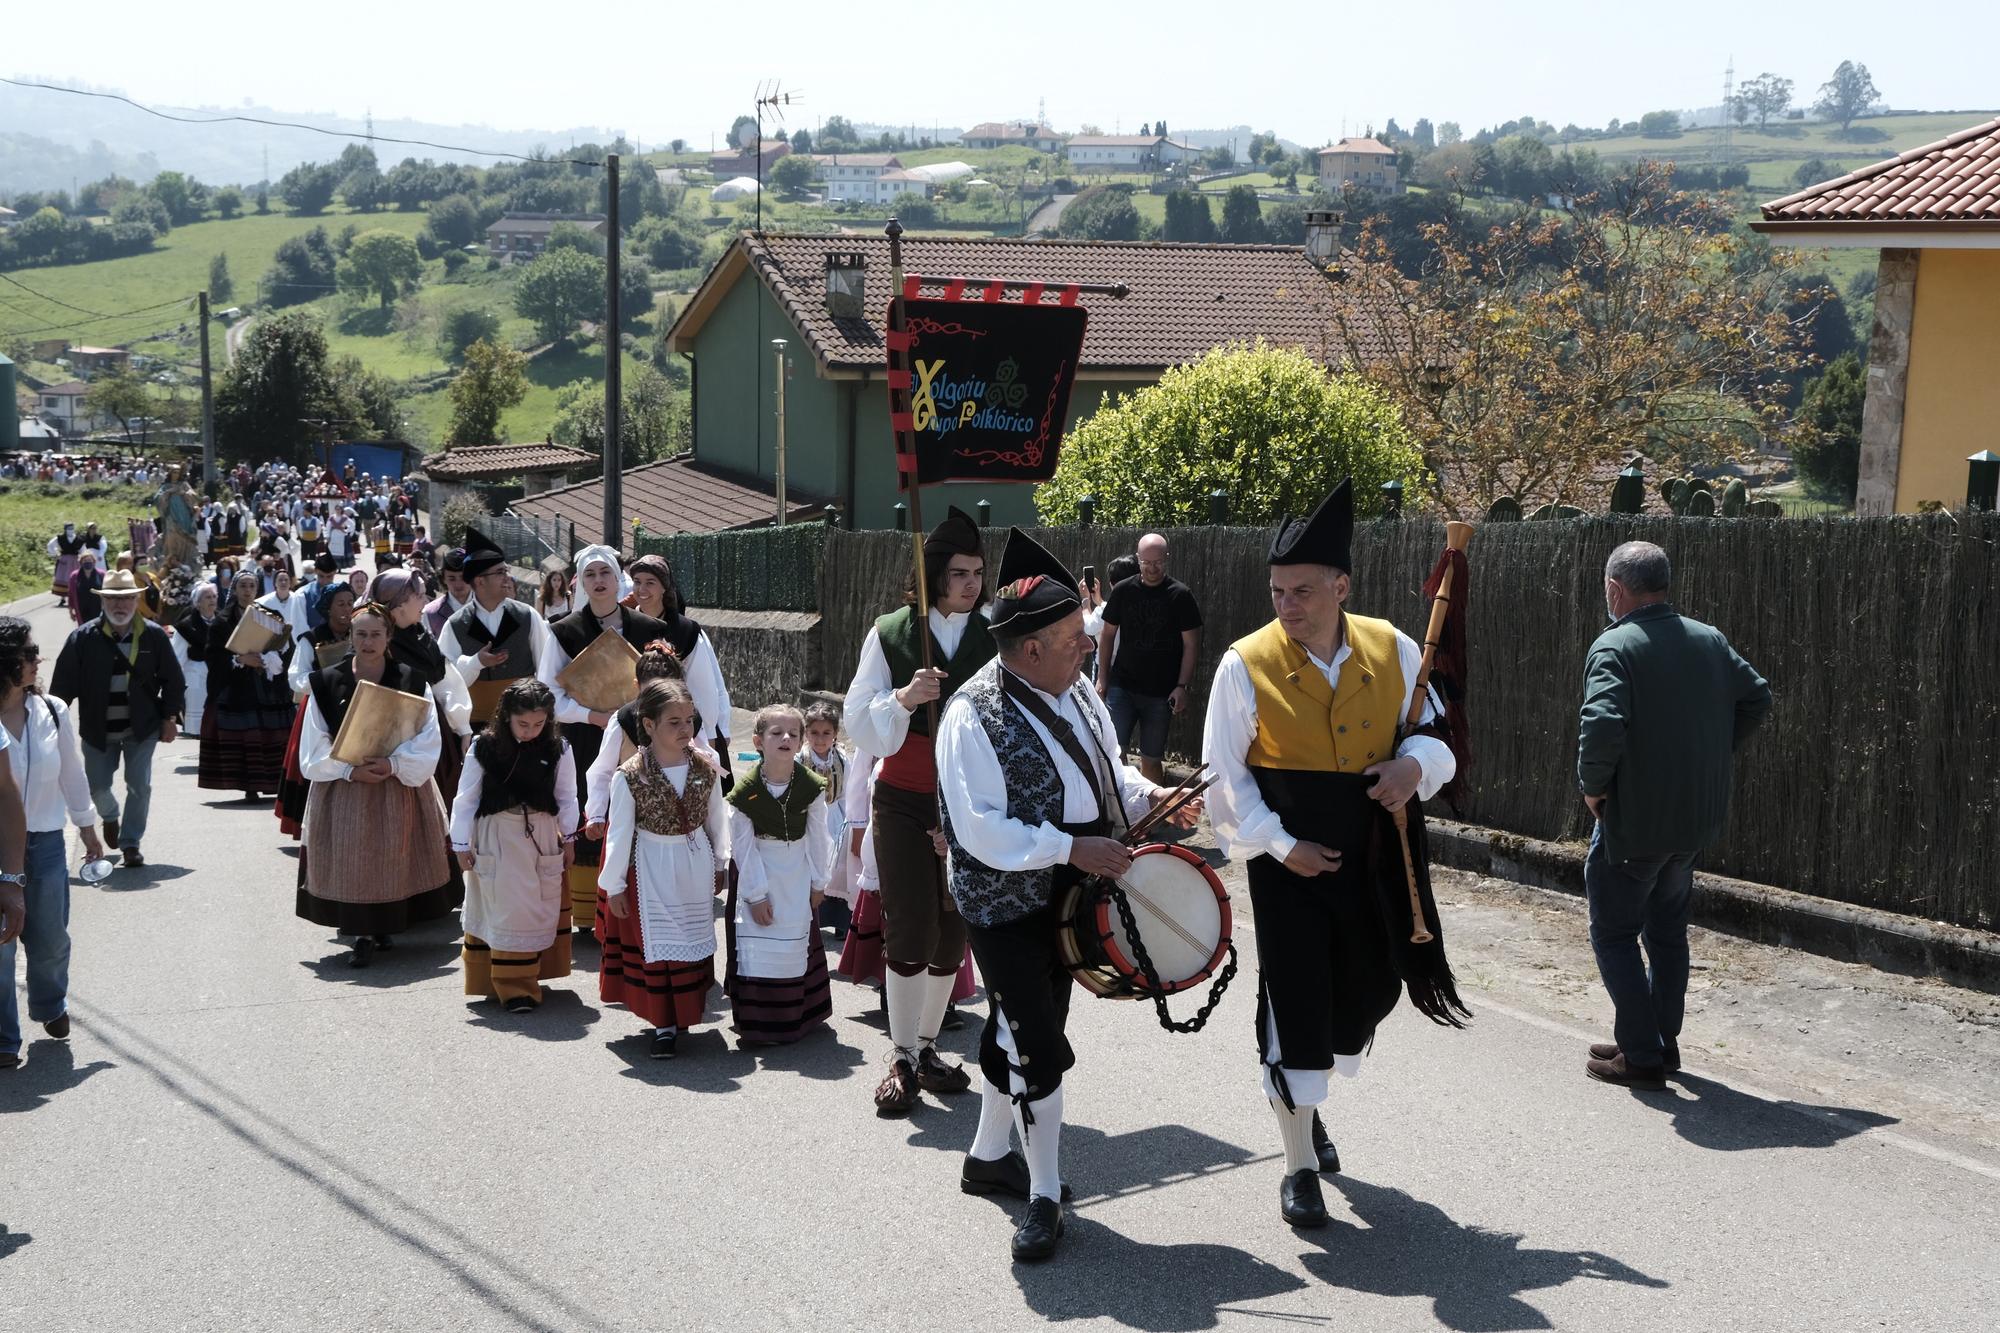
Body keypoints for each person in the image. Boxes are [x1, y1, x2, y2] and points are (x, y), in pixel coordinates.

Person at [1200, 478, 1468, 1230]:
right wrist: (1282, 847)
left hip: (1376, 859)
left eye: (1305, 590)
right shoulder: (1242, 664)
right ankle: (1298, 1165)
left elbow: (1437, 731)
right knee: (1298, 1003)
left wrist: (1414, 767)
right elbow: (1224, 781)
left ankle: (1306, 1105)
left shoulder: (1393, 646)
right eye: (1279, 591)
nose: (1288, 605)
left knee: (1368, 990)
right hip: (1286, 866)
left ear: (1341, 585)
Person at [935, 528, 1197, 1262]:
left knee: (1026, 1022)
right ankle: (1044, 1194)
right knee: (1039, 1043)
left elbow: (1107, 770)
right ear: (1028, 651)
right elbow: (981, 830)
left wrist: (1154, 793)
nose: (1089, 644)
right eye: (1074, 636)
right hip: (1004, 897)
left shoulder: (1076, 687)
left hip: (1071, 888)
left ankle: (990, 1155)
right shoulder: (970, 714)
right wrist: (1070, 847)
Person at [1577, 540, 1771, 1090]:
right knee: (1666, 934)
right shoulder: (1707, 638)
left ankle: (1640, 1056)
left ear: (1616, 590)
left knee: (1613, 934)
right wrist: (1710, 755)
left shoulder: (1615, 647)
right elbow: (1756, 697)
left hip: (1635, 821)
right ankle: (1659, 1041)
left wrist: (1594, 788)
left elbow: (1601, 725)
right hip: (1691, 821)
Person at [841, 507, 995, 1115]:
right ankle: (901, 1056)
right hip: (903, 797)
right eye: (960, 572)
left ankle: (927, 1048)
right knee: (911, 925)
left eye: (979, 572)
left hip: (967, 801)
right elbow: (859, 720)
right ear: (933, 574)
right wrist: (904, 698)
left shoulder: (993, 636)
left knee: (953, 928)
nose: (972, 583)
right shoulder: (892, 632)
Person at [296, 602, 455, 968]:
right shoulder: (325, 682)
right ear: (351, 637)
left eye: (375, 634)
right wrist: (348, 771)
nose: (368, 642)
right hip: (345, 787)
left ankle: (385, 924)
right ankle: (362, 933)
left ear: (388, 637)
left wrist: (394, 763)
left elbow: (427, 738)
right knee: (357, 858)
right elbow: (314, 745)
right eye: (361, 634)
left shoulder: (413, 681)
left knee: (393, 856)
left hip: (397, 784)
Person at [540, 546, 672, 940]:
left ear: (618, 581)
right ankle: (589, 915)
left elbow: (665, 684)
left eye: (606, 573)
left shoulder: (648, 629)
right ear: (581, 582)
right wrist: (593, 717)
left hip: (642, 738)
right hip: (585, 737)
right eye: (591, 574)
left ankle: (642, 902)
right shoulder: (563, 630)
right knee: (591, 807)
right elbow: (549, 693)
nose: (599, 581)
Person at [596, 676, 731, 1059]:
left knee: (690, 941)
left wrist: (720, 861)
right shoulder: (630, 776)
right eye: (674, 721)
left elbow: (715, 818)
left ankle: (685, 1013)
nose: (685, 729)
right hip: (651, 869)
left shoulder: (706, 768)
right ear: (649, 724)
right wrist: (615, 886)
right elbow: (619, 835)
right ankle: (664, 1024)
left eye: (689, 720)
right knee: (659, 947)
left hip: (693, 866)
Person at [1, 619, 108, 1069]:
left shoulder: (51, 709)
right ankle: (5, 1040)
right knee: (1, 946)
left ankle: (49, 1005)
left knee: (49, 939)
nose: (36, 660)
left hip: (45, 840)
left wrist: (87, 827)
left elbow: (71, 771)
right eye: (27, 654)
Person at [451, 679, 577, 1012]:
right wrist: (461, 843)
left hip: (543, 836)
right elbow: (466, 798)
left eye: (539, 724)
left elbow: (566, 797)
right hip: (498, 836)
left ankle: (534, 972)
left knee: (538, 906)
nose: (531, 731)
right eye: (523, 724)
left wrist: (569, 838)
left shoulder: (559, 748)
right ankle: (512, 986)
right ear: (507, 717)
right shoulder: (484, 747)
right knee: (505, 910)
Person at [48, 569, 185, 870]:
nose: (119, 605)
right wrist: (51, 726)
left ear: (136, 601)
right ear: (103, 602)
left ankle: (131, 843)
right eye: (113, 599)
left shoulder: (153, 635)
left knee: (139, 785)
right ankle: (109, 816)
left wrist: (170, 718)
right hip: (98, 729)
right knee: (96, 786)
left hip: (142, 727)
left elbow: (173, 680)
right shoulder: (83, 638)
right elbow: (62, 686)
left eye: (125, 598)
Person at [724, 705, 833, 1047]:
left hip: (797, 872)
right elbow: (743, 847)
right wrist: (755, 895)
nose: (786, 738)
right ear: (758, 741)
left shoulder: (811, 787)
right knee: (758, 941)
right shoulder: (745, 792)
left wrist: (819, 882)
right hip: (761, 868)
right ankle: (759, 1025)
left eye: (793, 734)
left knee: (794, 940)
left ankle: (796, 1017)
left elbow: (820, 837)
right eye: (776, 733)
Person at [1096, 533, 1203, 784]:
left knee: (1152, 758)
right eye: (1146, 562)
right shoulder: (1123, 590)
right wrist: (1102, 678)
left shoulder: (1180, 595)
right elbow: (1107, 635)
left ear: (1166, 559)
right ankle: (1119, 809)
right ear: (1138, 559)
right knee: (1113, 752)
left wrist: (1181, 686)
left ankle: (1151, 816)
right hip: (1122, 686)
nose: (1152, 568)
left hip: (1161, 692)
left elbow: (1191, 644)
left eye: (1158, 562)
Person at [623, 555, 734, 774]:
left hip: (680, 729)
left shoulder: (685, 631)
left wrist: (709, 734)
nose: (642, 588)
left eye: (650, 582)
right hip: (636, 727)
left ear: (664, 588)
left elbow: (704, 689)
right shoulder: (625, 625)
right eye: (637, 581)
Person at [195, 569, 295, 804]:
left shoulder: (270, 615)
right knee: (246, 733)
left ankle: (272, 782)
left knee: (270, 733)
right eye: (243, 586)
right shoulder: (222, 621)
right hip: (236, 687)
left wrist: (273, 657)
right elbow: (213, 655)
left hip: (266, 684)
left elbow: (286, 645)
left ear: (257, 589)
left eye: (251, 586)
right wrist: (239, 659)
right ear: (235, 589)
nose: (247, 590)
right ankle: (248, 785)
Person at [438, 528, 556, 726]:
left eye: (506, 571)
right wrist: (476, 662)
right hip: (477, 726)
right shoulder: (455, 625)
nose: (508, 578)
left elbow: (547, 669)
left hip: (527, 725)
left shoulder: (527, 616)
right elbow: (446, 682)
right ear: (480, 580)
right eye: (500, 572)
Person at [276, 583, 357, 839]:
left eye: (350, 602)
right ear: (328, 608)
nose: (347, 609)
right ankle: (315, 828)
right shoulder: (311, 639)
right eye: (340, 604)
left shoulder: (361, 633)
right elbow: (295, 679)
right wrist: (326, 681)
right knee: (319, 764)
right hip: (319, 710)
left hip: (357, 709)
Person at [801, 703, 850, 936]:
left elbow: (847, 793)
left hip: (834, 817)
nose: (820, 739)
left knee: (836, 868)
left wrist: (848, 823)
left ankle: (840, 922)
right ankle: (811, 920)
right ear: (806, 733)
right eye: (814, 733)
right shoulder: (799, 759)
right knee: (811, 866)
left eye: (826, 733)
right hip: (807, 820)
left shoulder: (841, 760)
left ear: (835, 734)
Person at [172, 583, 220, 737]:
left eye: (214, 596)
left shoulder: (222, 621)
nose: (212, 600)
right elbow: (177, 657)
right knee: (199, 724)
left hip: (218, 676)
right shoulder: (186, 626)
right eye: (207, 597)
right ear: (198, 603)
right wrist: (175, 684)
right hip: (195, 675)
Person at [423, 549, 472, 637]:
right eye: (451, 578)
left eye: (463, 577)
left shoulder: (488, 607)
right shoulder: (430, 613)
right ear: (443, 579)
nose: (458, 584)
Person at [49, 524, 85, 604]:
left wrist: (82, 558)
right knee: (64, 578)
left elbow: (83, 550)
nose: (70, 530)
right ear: (65, 529)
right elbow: (50, 545)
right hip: (64, 560)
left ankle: (74, 597)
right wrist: (55, 554)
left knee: (75, 578)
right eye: (69, 528)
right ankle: (62, 598)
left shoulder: (79, 539)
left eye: (72, 528)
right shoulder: (60, 538)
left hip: (75, 560)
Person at [67, 551, 104, 627]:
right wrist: (71, 611)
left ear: (94, 562)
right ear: (81, 562)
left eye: (90, 560)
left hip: (98, 608)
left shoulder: (101, 575)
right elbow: (71, 595)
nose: (88, 562)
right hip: (81, 608)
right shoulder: (74, 576)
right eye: (85, 561)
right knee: (84, 631)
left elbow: (107, 593)